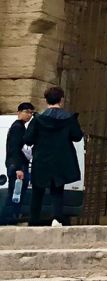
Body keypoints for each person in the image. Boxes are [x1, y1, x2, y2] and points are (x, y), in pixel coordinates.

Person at [24, 87, 83, 226]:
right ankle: (57, 217)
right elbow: (77, 136)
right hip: (61, 159)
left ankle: (34, 220)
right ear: (61, 100)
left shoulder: (38, 119)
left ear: (46, 100)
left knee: (38, 190)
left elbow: (28, 139)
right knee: (57, 189)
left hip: (42, 159)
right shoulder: (69, 119)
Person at [1, 103, 35, 225]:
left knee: (16, 195)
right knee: (15, 195)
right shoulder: (18, 127)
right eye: (27, 111)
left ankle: (10, 218)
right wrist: (19, 168)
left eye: (31, 112)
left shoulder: (21, 127)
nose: (29, 115)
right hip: (17, 167)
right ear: (19, 112)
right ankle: (7, 219)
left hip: (16, 165)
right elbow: (15, 149)